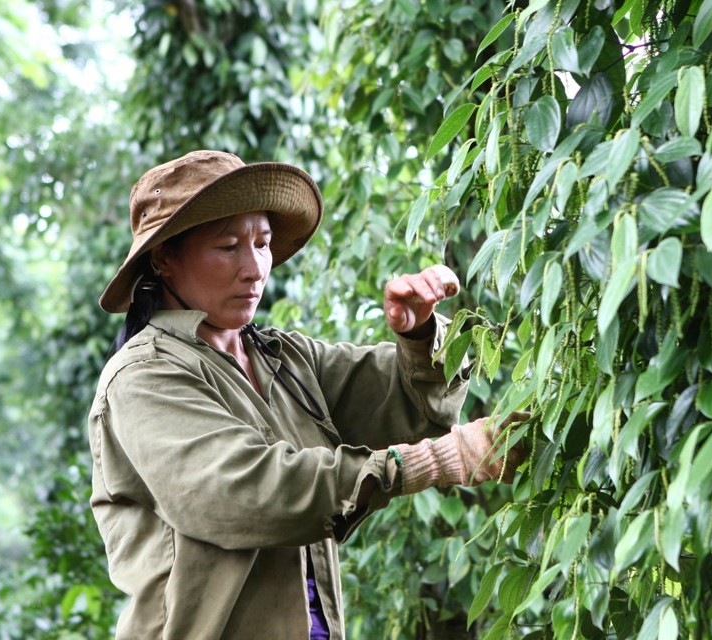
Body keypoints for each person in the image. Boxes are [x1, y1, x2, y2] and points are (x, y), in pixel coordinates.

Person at [87, 150, 527, 639]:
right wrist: (437, 461)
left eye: (262, 243)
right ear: (165, 260)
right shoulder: (144, 376)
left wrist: (419, 334)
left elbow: (404, 404)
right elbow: (248, 492)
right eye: (228, 246)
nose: (254, 268)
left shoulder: (282, 358)